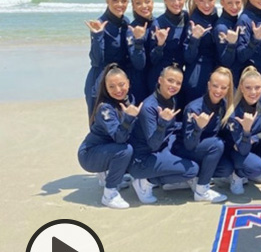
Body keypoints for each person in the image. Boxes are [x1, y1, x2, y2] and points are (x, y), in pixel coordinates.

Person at [128, 65, 199, 203]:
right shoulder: (149, 107)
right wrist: (162, 122)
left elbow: (171, 128)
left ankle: (167, 179)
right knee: (192, 171)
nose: (174, 85)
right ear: (160, 80)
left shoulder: (170, 99)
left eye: (178, 83)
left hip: (162, 147)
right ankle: (146, 181)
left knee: (191, 152)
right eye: (170, 80)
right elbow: (153, 144)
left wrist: (195, 125)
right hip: (143, 158)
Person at [78, 64, 143, 209]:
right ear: (105, 88)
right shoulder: (105, 108)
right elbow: (119, 138)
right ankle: (109, 194)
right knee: (124, 150)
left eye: (121, 85)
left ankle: (113, 178)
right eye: (112, 86)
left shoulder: (129, 100)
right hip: (89, 155)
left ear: (128, 83)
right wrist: (129, 118)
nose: (118, 90)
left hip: (106, 150)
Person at [172, 67, 236, 203]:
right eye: (215, 86)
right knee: (217, 144)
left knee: (226, 168)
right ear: (208, 85)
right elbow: (189, 144)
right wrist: (198, 127)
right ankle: (201, 190)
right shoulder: (194, 108)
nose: (218, 91)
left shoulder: (225, 106)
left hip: (205, 150)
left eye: (223, 87)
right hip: (185, 149)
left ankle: (192, 178)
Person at [223, 66, 261, 198]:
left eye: (257, 87)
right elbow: (242, 149)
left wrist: (255, 138)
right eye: (248, 88)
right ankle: (237, 175)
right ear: (241, 87)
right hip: (237, 151)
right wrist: (246, 130)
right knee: (256, 166)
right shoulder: (234, 108)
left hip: (254, 144)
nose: (253, 92)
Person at [84, 0, 136, 118]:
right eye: (115, 0)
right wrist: (97, 35)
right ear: (107, 1)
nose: (120, 5)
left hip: (119, 81)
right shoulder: (99, 25)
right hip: (99, 82)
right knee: (99, 125)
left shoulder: (126, 22)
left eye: (123, 1)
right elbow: (96, 60)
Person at [147, 0, 189, 92]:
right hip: (160, 79)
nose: (176, 3)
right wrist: (160, 45)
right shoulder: (158, 24)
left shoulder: (188, 19)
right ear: (164, 0)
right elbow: (153, 60)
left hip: (179, 79)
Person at [182, 0, 219, 105]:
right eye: (202, 1)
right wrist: (195, 38)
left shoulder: (215, 15)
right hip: (197, 74)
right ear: (196, 0)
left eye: (210, 0)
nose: (207, 5)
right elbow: (188, 57)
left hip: (214, 70)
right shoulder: (194, 21)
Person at [128, 0, 155, 102]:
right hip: (139, 83)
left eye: (147, 1)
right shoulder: (131, 30)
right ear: (133, 6)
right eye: (138, 3)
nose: (144, 6)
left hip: (157, 80)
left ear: (153, 2)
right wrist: (138, 40)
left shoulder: (159, 24)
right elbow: (138, 64)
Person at [213, 0, 241, 78]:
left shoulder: (238, 21)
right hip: (227, 78)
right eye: (230, 3)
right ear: (222, 2)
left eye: (237, 2)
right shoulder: (221, 27)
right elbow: (226, 62)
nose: (234, 7)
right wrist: (231, 44)